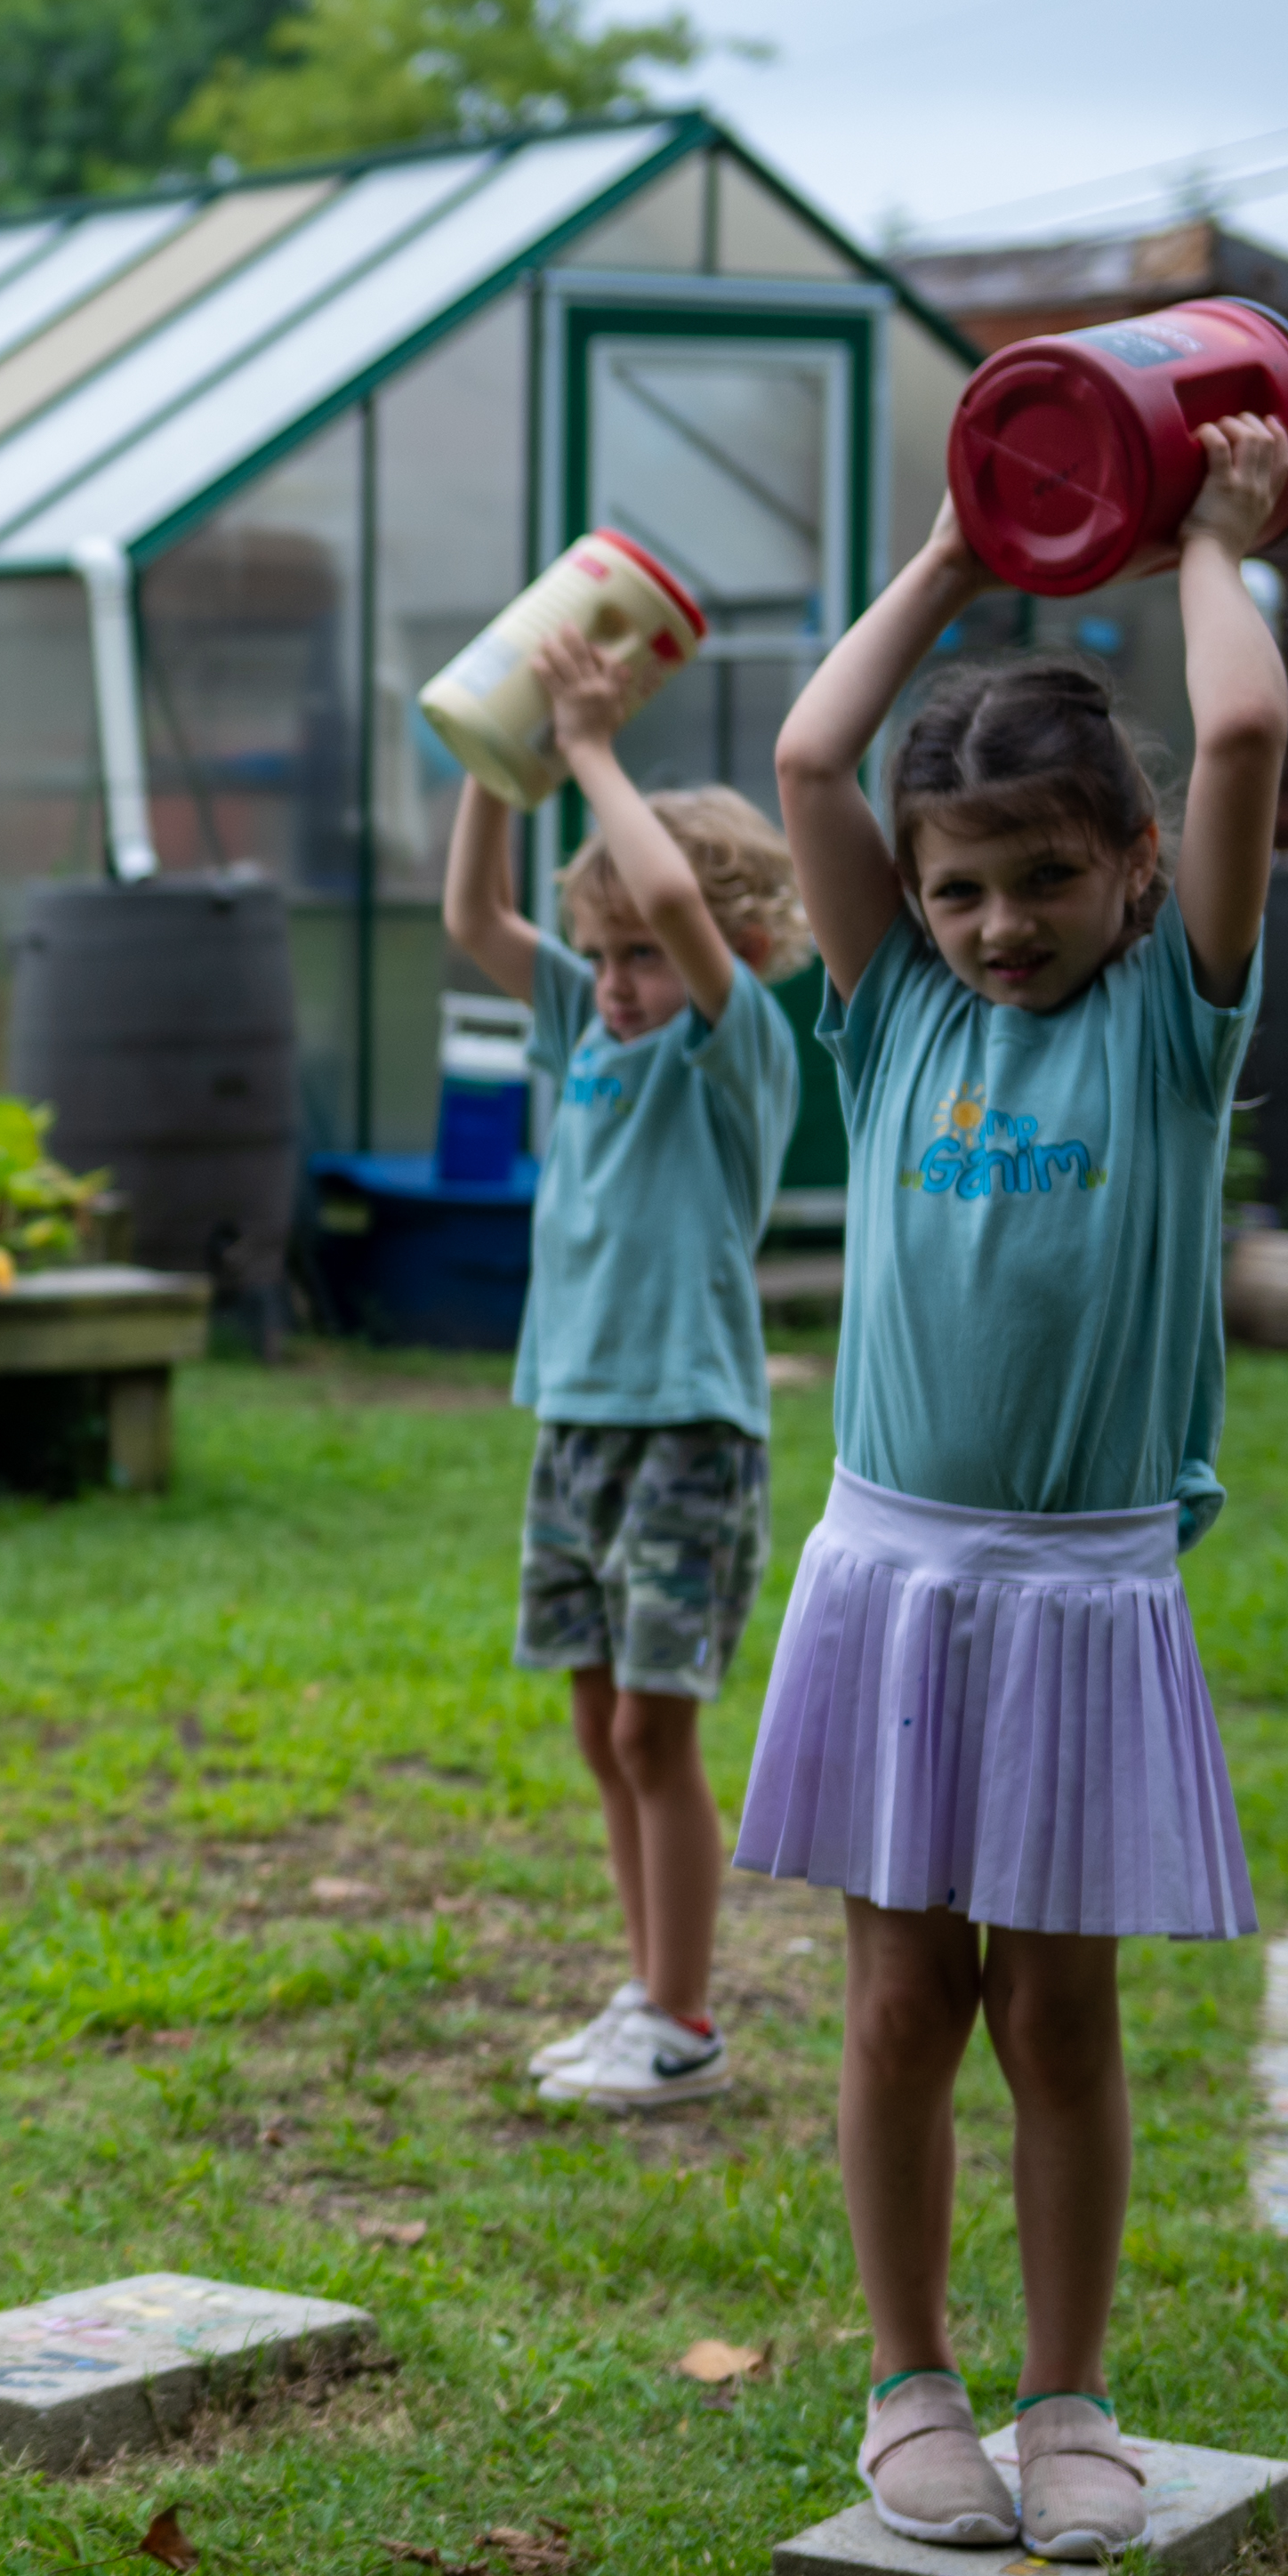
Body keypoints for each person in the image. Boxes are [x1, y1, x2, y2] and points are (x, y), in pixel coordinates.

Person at [745, 416, 1288, 2568]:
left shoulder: (1174, 1022)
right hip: (898, 1573)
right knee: (904, 2000)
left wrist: (1208, 540)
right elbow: (810, 759)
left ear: (1136, 868)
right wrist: (957, 562)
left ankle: (1071, 2393)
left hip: (1079, 1588)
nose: (992, 923)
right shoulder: (884, 1017)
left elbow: (1237, 717)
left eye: (1044, 880)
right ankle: (913, 2386)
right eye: (959, 885)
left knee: (1062, 2009)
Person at [438, 638, 812, 2115]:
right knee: (603, 1729)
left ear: (729, 948)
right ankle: (648, 1993)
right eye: (597, 957)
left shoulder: (736, 1045)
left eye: (640, 956)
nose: (616, 980)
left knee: (659, 1727)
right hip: (578, 1425)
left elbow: (666, 891)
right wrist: (504, 758)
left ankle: (686, 2019)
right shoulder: (589, 1032)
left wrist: (591, 748)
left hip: (688, 1431)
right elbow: (474, 913)